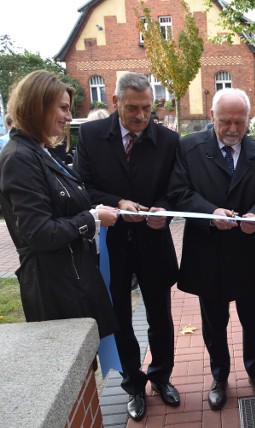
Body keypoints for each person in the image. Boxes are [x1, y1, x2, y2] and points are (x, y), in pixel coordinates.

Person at [74, 72, 180, 421]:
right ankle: (133, 384)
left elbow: (175, 189)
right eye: (132, 108)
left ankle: (161, 377)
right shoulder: (90, 135)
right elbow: (83, 189)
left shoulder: (166, 140)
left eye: (147, 108)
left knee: (160, 318)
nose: (140, 116)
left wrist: (164, 210)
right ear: (115, 102)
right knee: (119, 317)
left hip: (153, 241)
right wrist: (118, 203)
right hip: (112, 245)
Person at [168, 88, 255, 410]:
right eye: (225, 122)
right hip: (207, 253)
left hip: (248, 251)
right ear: (212, 117)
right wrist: (210, 214)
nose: (232, 129)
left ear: (249, 119)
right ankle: (219, 376)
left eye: (239, 122)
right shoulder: (188, 147)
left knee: (253, 321)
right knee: (214, 323)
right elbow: (179, 193)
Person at [0, 70, 119, 340]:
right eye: (63, 108)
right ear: (37, 106)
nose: (68, 116)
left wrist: (106, 207)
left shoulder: (39, 151)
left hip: (71, 277)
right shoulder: (20, 158)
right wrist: (92, 219)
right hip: (55, 287)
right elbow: (40, 233)